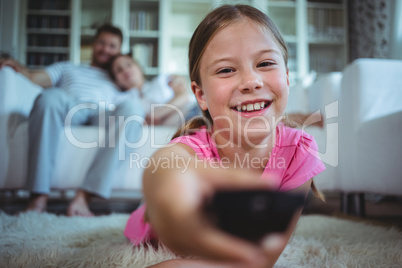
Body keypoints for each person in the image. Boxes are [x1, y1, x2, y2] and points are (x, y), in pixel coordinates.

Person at [123, 4, 326, 268]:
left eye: (265, 63)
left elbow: (262, 259)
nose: (251, 81)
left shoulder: (300, 150)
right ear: (201, 95)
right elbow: (167, 165)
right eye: (226, 70)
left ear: (287, 78)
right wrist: (161, 186)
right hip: (150, 228)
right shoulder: (195, 146)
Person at [0, 24, 145, 216]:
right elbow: (38, 77)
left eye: (112, 46)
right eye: (102, 43)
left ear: (119, 50)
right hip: (70, 106)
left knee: (134, 109)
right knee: (49, 97)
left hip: (103, 113)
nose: (106, 49)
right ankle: (38, 197)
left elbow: (142, 90)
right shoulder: (68, 67)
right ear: (94, 44)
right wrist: (18, 67)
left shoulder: (118, 76)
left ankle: (83, 198)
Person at [109, 53, 197, 126]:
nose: (125, 70)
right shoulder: (122, 100)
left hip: (192, 112)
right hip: (180, 126)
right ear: (116, 80)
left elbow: (182, 97)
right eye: (119, 70)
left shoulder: (162, 80)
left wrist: (155, 115)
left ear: (139, 68)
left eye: (128, 64)